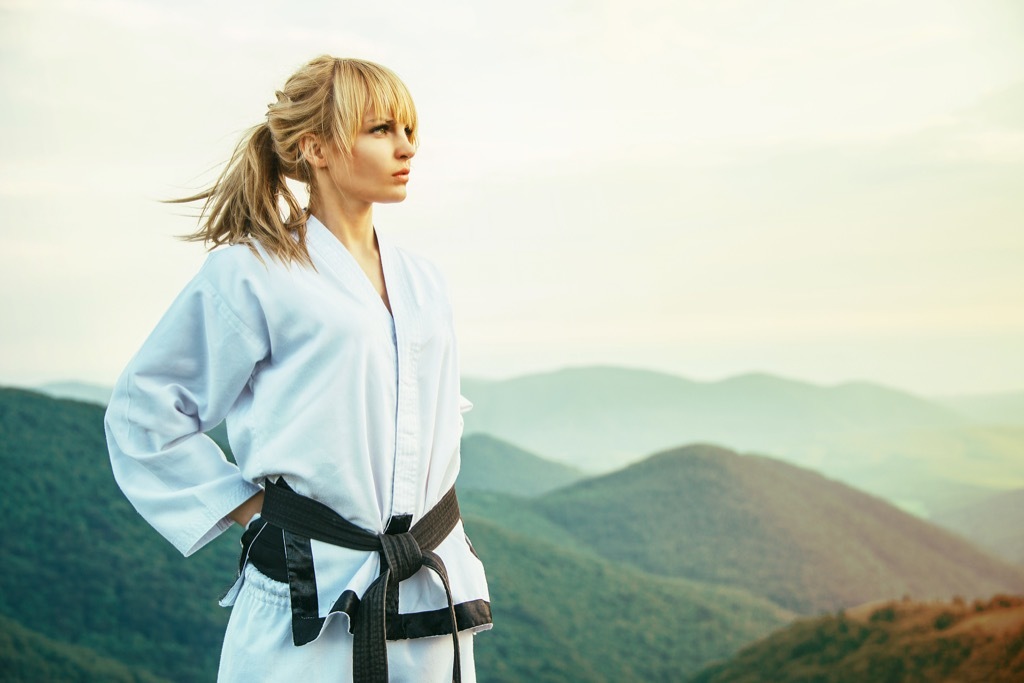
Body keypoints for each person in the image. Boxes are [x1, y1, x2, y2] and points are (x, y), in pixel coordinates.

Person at [104, 55, 491, 683]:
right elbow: (144, 410)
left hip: (422, 589)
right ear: (316, 147)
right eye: (381, 130)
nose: (406, 147)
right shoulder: (253, 272)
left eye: (409, 130)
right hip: (305, 592)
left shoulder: (424, 281)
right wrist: (251, 508)